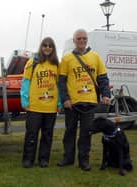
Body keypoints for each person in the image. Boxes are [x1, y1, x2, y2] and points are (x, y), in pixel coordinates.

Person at [57, 29, 111, 171]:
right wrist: (65, 99)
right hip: (72, 103)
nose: (82, 41)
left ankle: (84, 161)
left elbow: (103, 78)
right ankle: (68, 158)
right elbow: (61, 82)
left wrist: (106, 94)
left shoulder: (95, 57)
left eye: (84, 38)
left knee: (86, 133)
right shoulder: (67, 58)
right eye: (79, 38)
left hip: (90, 102)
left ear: (87, 40)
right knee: (70, 132)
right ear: (74, 40)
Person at [20, 37, 62, 168]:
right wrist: (25, 100)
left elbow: (59, 85)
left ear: (53, 48)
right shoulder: (33, 62)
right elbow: (26, 82)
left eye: (50, 46)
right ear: (41, 47)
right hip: (34, 106)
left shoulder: (56, 64)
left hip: (50, 107)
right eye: (45, 45)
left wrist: (59, 103)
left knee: (47, 135)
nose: (47, 48)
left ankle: (44, 159)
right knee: (31, 134)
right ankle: (28, 159)